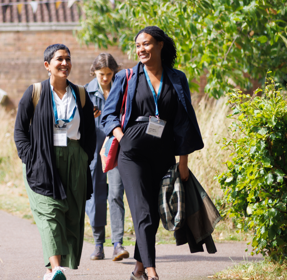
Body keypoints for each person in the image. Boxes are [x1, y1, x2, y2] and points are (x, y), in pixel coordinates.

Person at [101, 26, 204, 280]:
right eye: (137, 46)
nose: (141, 50)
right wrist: (121, 137)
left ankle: (138, 269)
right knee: (142, 210)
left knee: (154, 214)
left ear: (160, 45)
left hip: (163, 154)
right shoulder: (127, 76)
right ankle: (151, 270)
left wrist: (183, 161)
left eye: (146, 44)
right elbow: (108, 114)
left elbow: (183, 122)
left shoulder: (177, 79)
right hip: (132, 154)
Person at [14, 44, 96, 280]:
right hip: (42, 159)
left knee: (70, 213)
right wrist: (29, 157)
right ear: (47, 65)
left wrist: (84, 157)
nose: (64, 63)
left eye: (68, 59)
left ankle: (51, 270)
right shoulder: (35, 92)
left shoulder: (80, 94)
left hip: (74, 159)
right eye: (59, 59)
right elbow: (20, 130)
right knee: (49, 212)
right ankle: (57, 268)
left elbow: (90, 132)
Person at [85, 53, 130, 261]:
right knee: (95, 197)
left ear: (114, 72)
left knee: (115, 193)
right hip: (93, 152)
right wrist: (87, 118)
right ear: (94, 72)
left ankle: (118, 244)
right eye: (101, 74)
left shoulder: (122, 88)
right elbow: (73, 124)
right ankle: (98, 245)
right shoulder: (84, 92)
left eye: (109, 74)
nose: (105, 78)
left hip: (115, 149)